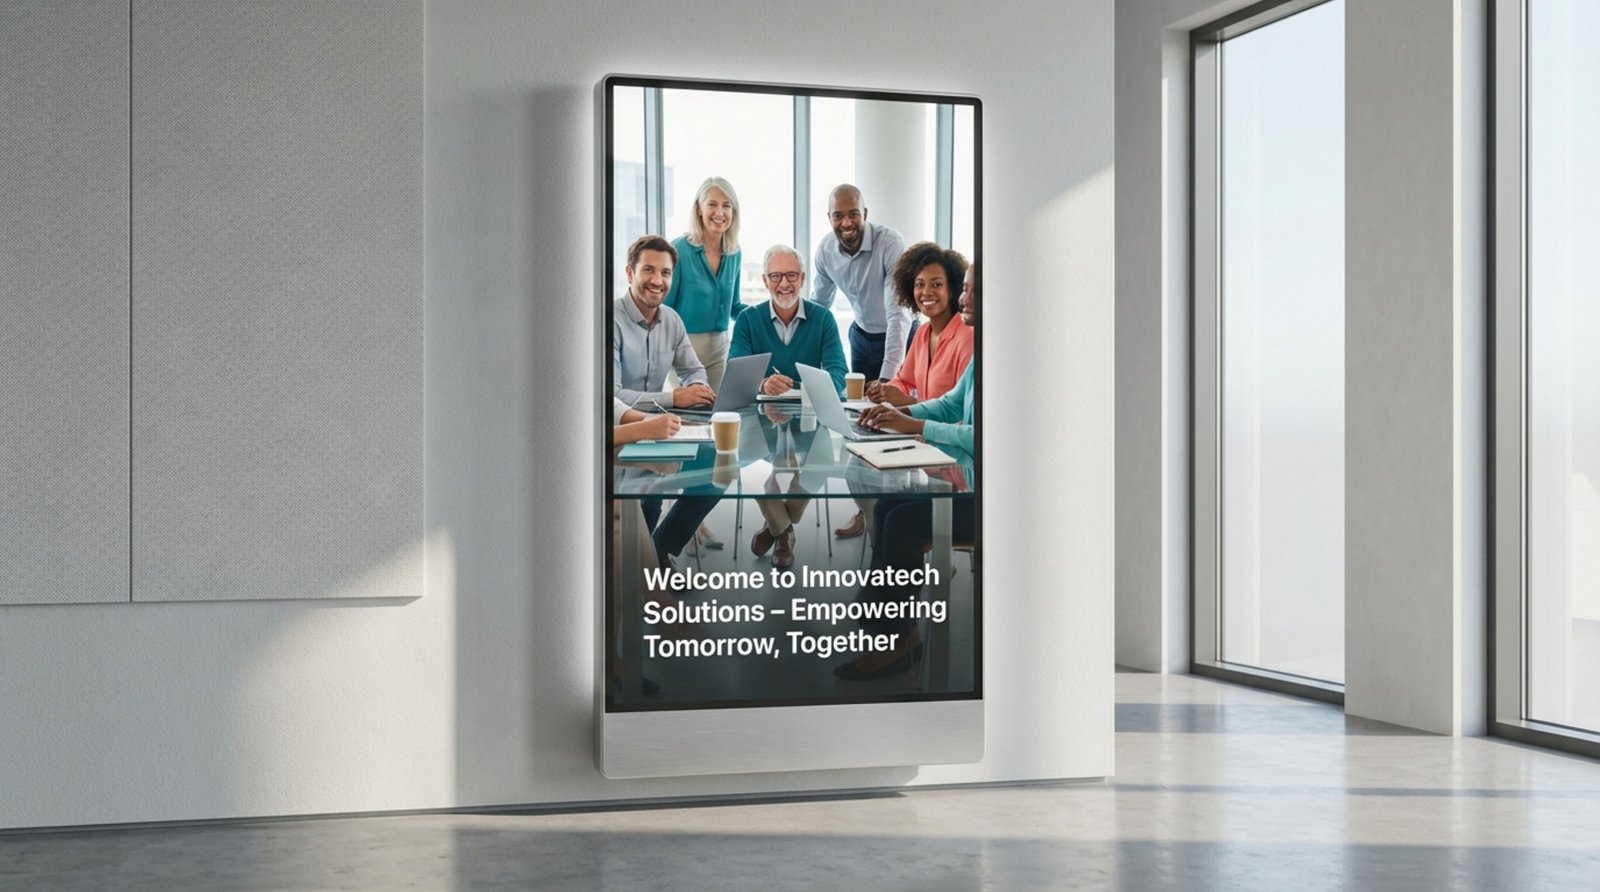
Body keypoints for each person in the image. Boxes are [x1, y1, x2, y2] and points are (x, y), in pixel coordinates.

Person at [836, 261, 980, 681]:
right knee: (888, 505)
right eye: (966, 289)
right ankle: (895, 633)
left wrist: (914, 424)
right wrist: (898, 414)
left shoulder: (997, 353)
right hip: (970, 481)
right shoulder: (987, 350)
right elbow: (952, 404)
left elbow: (987, 435)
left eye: (970, 291)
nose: (964, 297)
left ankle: (891, 644)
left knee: (904, 523)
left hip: (994, 500)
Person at [728, 245, 848, 568]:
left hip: (812, 421)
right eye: (777, 276)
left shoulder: (822, 319)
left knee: (818, 466)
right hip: (760, 420)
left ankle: (776, 526)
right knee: (752, 468)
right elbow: (736, 370)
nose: (784, 284)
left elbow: (839, 373)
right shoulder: (748, 320)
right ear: (765, 281)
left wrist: (803, 387)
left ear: (803, 278)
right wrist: (762, 384)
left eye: (791, 275)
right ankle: (784, 534)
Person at [812, 184, 908, 539]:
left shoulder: (889, 243)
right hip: (861, 336)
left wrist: (887, 379)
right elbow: (818, 307)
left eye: (854, 213)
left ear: (866, 214)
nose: (847, 222)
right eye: (839, 215)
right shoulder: (825, 249)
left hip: (898, 340)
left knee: (892, 426)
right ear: (830, 219)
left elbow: (898, 315)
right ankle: (866, 511)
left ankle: (899, 517)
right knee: (861, 427)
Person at [613, 234, 715, 410]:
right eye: (648, 270)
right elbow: (610, 395)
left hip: (658, 426)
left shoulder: (672, 320)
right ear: (630, 273)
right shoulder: (609, 321)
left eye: (665, 273)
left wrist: (696, 389)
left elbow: (693, 371)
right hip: (615, 429)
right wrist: (673, 399)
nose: (657, 281)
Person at [867, 243, 973, 408]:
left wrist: (910, 402)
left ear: (952, 288)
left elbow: (960, 409)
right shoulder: (923, 332)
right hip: (920, 429)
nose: (926, 292)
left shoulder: (967, 336)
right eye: (919, 285)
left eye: (936, 284)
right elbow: (904, 381)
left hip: (940, 430)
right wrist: (884, 390)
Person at [664, 177, 744, 393]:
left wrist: (768, 312)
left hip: (719, 350)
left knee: (717, 413)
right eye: (712, 204)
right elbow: (665, 310)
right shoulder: (679, 250)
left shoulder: (734, 252)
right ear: (699, 209)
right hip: (683, 351)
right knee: (690, 417)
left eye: (726, 205)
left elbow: (735, 307)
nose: (720, 212)